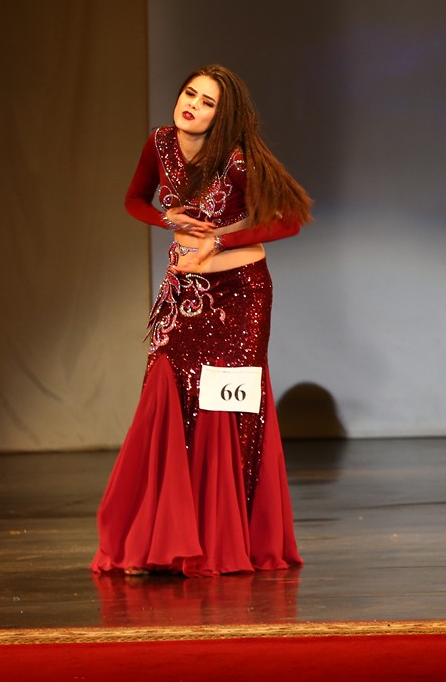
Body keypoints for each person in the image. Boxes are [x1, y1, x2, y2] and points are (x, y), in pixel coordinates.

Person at [91, 64, 312, 577]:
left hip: (238, 298)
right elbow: (134, 199)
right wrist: (166, 218)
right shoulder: (160, 144)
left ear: (222, 114)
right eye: (190, 93)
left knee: (222, 411)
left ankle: (221, 542)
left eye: (207, 102)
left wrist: (219, 239)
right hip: (183, 294)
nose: (192, 105)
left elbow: (289, 220)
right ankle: (159, 539)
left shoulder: (237, 159)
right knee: (168, 400)